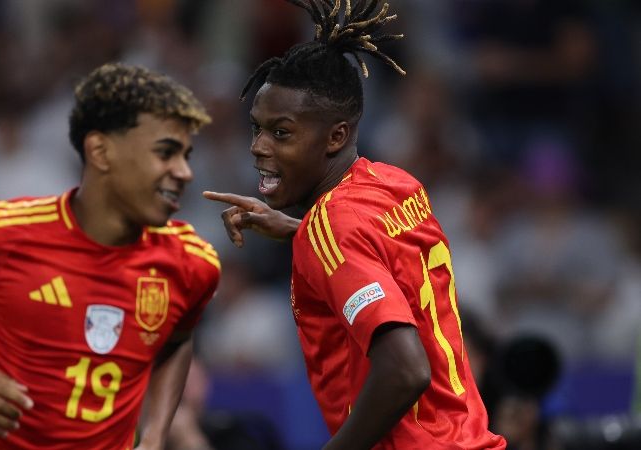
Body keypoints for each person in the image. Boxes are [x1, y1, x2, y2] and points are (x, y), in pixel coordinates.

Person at [0, 62, 221, 450]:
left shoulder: (192, 262)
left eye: (186, 155)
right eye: (166, 153)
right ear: (100, 151)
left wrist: (153, 437)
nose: (184, 172)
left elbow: (178, 340)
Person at [203, 1, 507, 448]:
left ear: (336, 136)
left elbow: (405, 370)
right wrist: (296, 229)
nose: (259, 146)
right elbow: (380, 255)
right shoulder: (394, 184)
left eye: (281, 133)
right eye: (257, 128)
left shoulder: (333, 227)